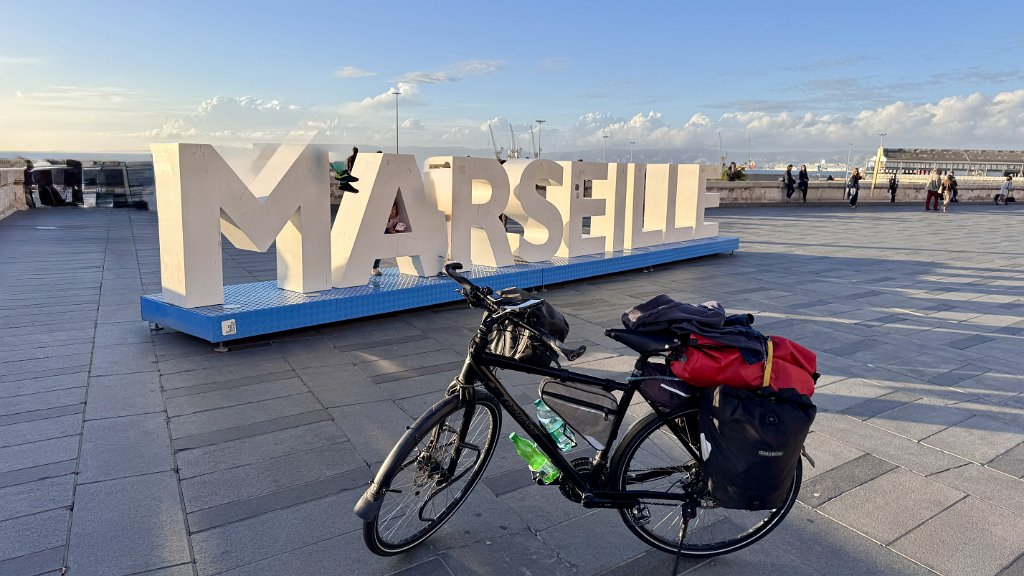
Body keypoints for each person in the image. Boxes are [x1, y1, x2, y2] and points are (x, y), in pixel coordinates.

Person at [372, 201, 410, 275]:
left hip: (394, 234)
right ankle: (375, 268)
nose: (392, 212)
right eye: (391, 210)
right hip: (384, 234)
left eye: (394, 209)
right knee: (379, 250)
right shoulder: (385, 217)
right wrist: (388, 230)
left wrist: (399, 229)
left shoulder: (398, 217)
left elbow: (399, 225)